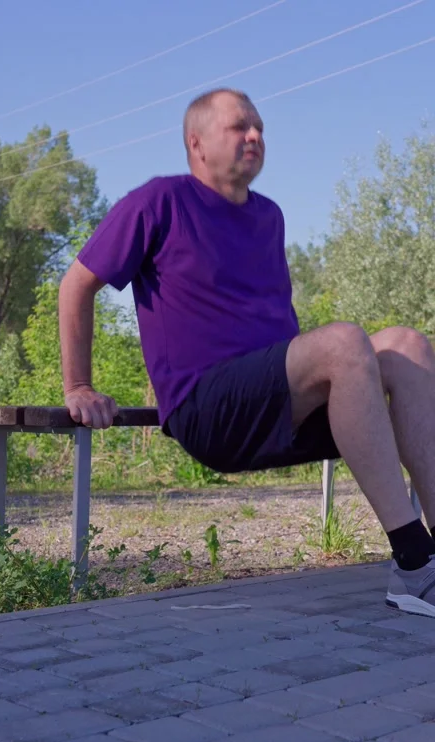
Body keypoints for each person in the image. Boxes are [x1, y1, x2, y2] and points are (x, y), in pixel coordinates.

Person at [59, 87, 435, 618]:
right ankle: (415, 563)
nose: (255, 135)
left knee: (407, 345)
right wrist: (78, 386)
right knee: (345, 340)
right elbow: (76, 284)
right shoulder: (159, 202)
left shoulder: (270, 216)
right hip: (209, 410)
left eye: (259, 127)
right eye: (240, 127)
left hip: (278, 404)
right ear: (197, 143)